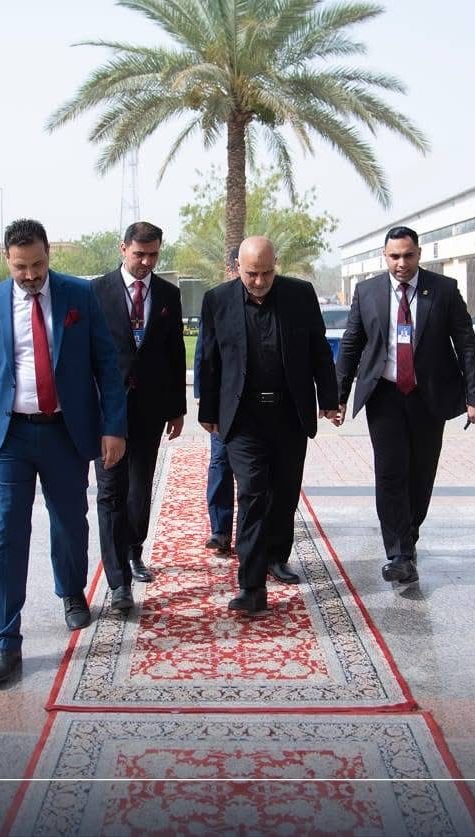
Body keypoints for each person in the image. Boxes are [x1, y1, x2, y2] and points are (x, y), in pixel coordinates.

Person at [0, 219, 127, 686]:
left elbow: (106, 365)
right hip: (9, 436)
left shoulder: (79, 296)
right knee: (4, 533)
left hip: (64, 432)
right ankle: (4, 641)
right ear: (6, 260)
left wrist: (113, 427)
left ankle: (71, 590)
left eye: (37, 264)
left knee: (70, 521)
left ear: (49, 253)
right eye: (21, 267)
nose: (31, 275)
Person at [335, 226, 475, 586]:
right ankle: (399, 554)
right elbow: (352, 344)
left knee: (420, 473)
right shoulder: (367, 291)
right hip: (384, 395)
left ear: (418, 253)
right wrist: (337, 397)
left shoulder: (444, 290)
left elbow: (466, 344)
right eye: (394, 256)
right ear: (384, 256)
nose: (401, 263)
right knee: (390, 473)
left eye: (407, 255)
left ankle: (409, 535)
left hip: (428, 396)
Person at [196, 236, 339, 613]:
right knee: (252, 494)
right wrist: (208, 411)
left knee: (284, 492)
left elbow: (319, 350)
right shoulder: (217, 300)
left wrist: (329, 400)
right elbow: (209, 359)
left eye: (266, 273)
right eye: (251, 274)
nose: (259, 282)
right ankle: (251, 585)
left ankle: (276, 555)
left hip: (289, 413)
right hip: (244, 417)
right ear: (237, 268)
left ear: (276, 266)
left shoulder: (300, 295)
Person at [91, 222, 186, 608]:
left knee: (139, 485)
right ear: (123, 249)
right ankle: (118, 581)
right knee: (110, 490)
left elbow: (175, 351)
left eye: (153, 255)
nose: (146, 262)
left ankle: (133, 550)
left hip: (150, 408)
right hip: (108, 410)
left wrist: (177, 408)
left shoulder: (168, 294)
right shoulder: (96, 291)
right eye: (139, 254)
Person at [193, 247, 240, 556]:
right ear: (233, 267)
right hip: (223, 402)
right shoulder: (217, 300)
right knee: (220, 462)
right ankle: (220, 530)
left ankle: (253, 533)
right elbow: (205, 352)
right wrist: (203, 397)